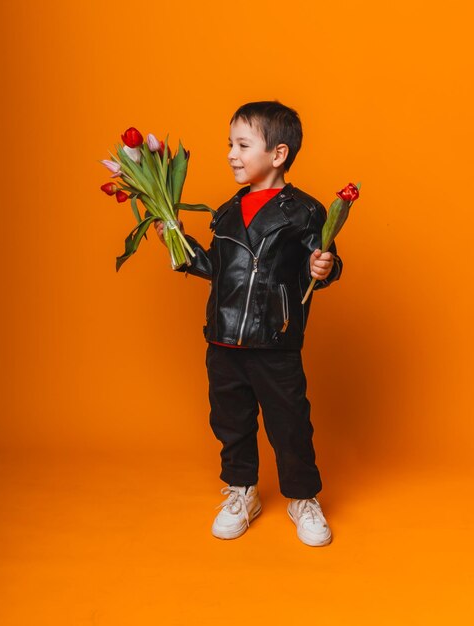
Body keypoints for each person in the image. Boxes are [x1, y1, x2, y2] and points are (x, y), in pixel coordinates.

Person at [154, 100, 343, 547]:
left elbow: (327, 261)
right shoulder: (224, 212)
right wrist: (179, 247)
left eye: (242, 144)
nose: (231, 154)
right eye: (229, 145)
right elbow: (218, 270)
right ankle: (242, 492)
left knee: (289, 422)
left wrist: (326, 267)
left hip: (274, 340)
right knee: (230, 420)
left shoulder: (305, 211)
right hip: (222, 338)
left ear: (277, 154)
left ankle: (302, 497)